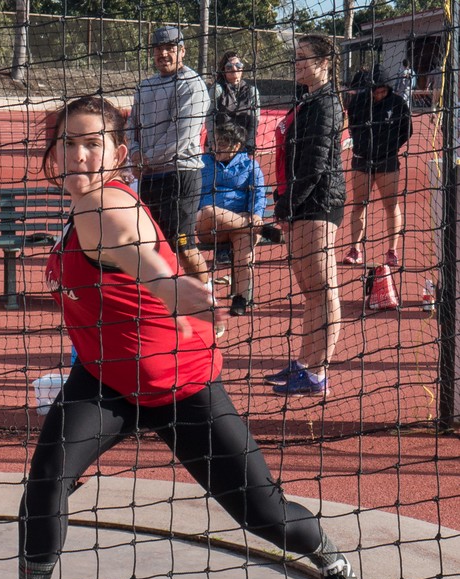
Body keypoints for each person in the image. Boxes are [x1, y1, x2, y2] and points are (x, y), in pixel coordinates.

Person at [0, 96, 367, 579]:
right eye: (69, 141)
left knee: (260, 511)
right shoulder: (80, 210)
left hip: (180, 386)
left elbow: (147, 264)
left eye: (93, 142)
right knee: (46, 481)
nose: (79, 153)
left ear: (117, 153)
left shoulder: (105, 210)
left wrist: (177, 292)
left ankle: (331, 561)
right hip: (106, 383)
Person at [263, 34, 346, 397]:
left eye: (303, 57)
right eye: (294, 57)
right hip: (302, 203)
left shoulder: (325, 104)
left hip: (317, 203)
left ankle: (318, 371)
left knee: (323, 288)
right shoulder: (308, 99)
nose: (296, 63)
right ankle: (305, 363)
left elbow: (313, 168)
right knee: (312, 292)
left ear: (325, 62)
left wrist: (286, 206)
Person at [128, 25, 210, 282]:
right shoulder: (145, 86)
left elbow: (181, 136)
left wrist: (145, 158)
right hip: (149, 177)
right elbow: (132, 125)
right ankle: (166, 309)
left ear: (182, 51)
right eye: (158, 48)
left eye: (170, 48)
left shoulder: (192, 85)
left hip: (180, 175)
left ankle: (209, 308)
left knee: (183, 245)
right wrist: (134, 152)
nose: (163, 53)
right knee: (150, 247)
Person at [343, 63, 412, 268]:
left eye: (383, 90)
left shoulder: (398, 103)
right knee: (358, 205)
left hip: (388, 161)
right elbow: (352, 125)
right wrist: (362, 145)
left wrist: (390, 148)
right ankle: (355, 249)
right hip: (362, 160)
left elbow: (406, 131)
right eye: (376, 90)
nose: (380, 94)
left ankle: (392, 250)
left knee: (391, 206)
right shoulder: (359, 101)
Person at [197, 121, 266, 316]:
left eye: (223, 143)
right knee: (210, 210)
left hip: (237, 229)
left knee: (244, 241)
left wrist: (256, 214)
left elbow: (259, 194)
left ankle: (240, 298)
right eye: (216, 142)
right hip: (208, 226)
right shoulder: (203, 163)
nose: (217, 147)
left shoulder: (250, 166)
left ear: (236, 146)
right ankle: (255, 227)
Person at [206, 49, 261, 153]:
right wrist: (212, 143)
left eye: (238, 65)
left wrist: (250, 143)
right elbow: (209, 118)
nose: (234, 69)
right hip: (219, 146)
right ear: (223, 70)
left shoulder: (252, 91)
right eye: (229, 67)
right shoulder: (217, 89)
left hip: (242, 146)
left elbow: (255, 120)